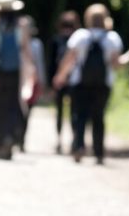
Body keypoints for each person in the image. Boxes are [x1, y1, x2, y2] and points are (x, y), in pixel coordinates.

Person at [53, 4, 129, 164]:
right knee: (98, 117)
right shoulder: (112, 38)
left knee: (79, 116)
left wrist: (60, 77)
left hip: (79, 83)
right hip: (103, 84)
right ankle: (98, 152)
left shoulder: (80, 36)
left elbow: (69, 59)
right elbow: (117, 64)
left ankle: (79, 146)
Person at [0, 0, 37, 160]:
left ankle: (2, 140)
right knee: (15, 106)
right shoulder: (22, 25)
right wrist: (32, 71)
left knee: (0, 108)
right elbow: (27, 50)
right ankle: (11, 137)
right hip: (16, 72)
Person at [48, 11, 81, 154]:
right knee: (75, 112)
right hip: (74, 80)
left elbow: (51, 63)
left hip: (59, 80)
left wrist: (51, 83)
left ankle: (59, 140)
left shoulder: (56, 40)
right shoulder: (78, 39)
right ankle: (74, 140)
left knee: (60, 112)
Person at [16, 15, 46, 152]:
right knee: (18, 112)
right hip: (18, 81)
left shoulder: (35, 44)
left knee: (26, 113)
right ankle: (18, 138)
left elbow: (39, 64)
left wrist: (41, 82)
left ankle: (21, 139)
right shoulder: (16, 42)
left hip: (30, 82)